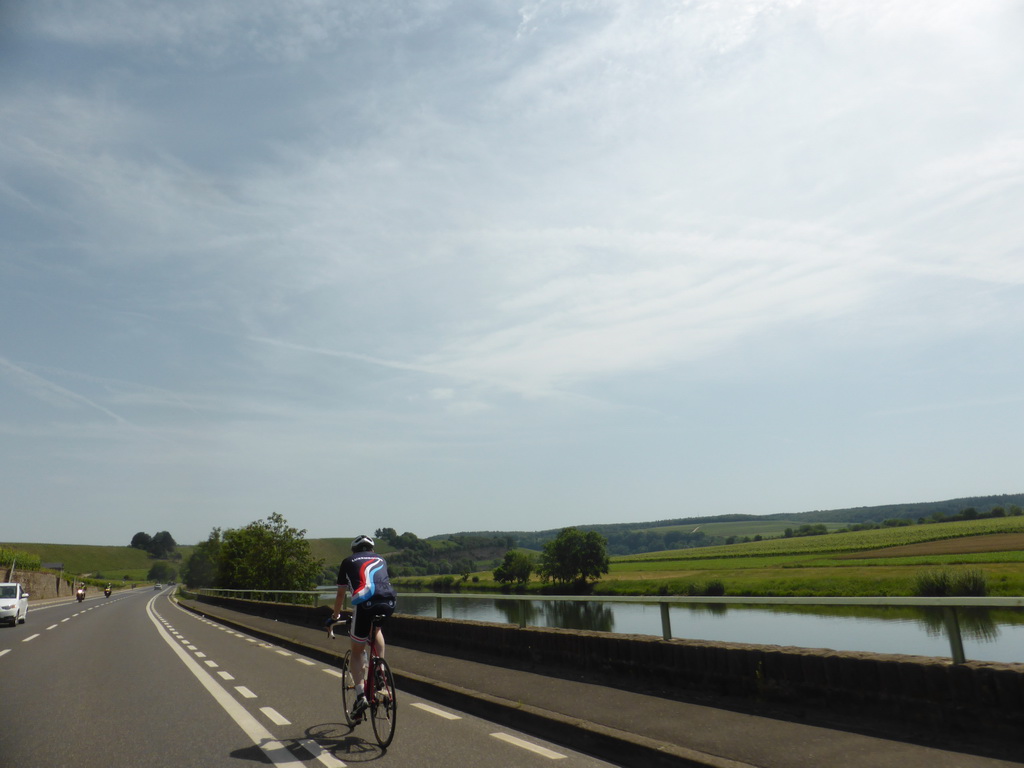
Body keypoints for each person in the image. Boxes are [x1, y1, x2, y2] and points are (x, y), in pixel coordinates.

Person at [330, 535, 396, 721]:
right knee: (377, 631)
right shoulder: (380, 559)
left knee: (357, 651)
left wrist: (335, 617)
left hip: (364, 602)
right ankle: (379, 671)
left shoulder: (348, 561)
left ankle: (360, 696)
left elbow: (340, 595)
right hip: (389, 601)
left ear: (354, 550)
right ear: (371, 549)